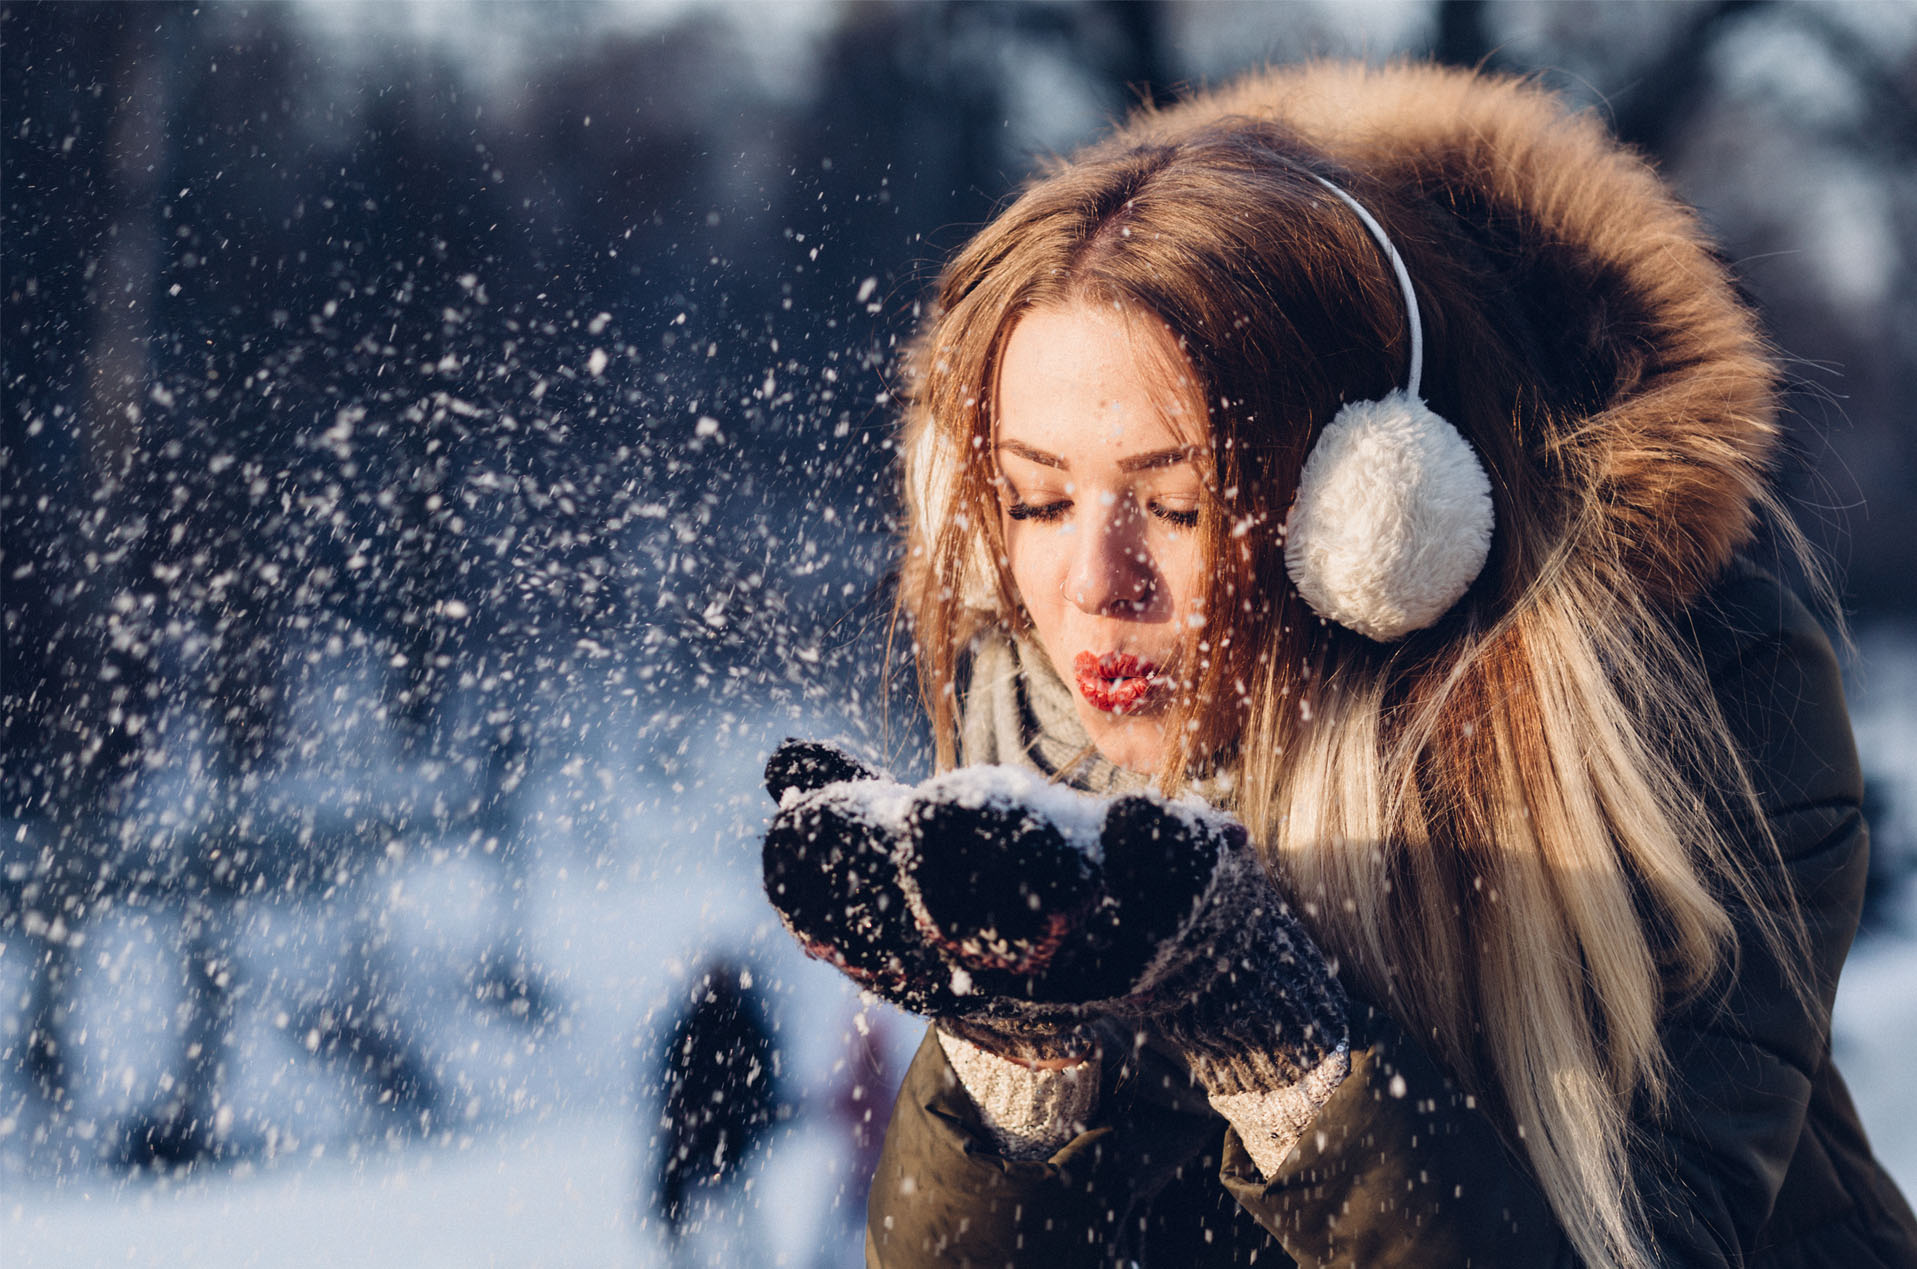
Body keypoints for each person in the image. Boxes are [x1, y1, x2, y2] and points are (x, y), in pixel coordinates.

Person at [758, 61, 1917, 1267]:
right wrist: (1018, 1070)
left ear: (1371, 512)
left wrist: (1284, 1053)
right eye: (1037, 502)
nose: (1095, 586)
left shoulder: (1691, 709)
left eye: (1177, 501)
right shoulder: (1032, 723)